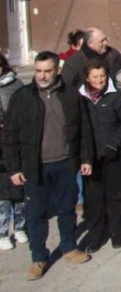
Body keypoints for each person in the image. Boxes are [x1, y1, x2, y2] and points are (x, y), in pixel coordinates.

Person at [3, 51, 93, 280]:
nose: (42, 76)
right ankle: (39, 258)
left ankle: (69, 246)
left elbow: (83, 130)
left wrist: (85, 159)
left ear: (57, 71)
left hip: (65, 164)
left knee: (66, 210)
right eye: (38, 71)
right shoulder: (22, 98)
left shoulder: (72, 96)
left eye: (47, 71)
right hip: (35, 167)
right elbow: (10, 136)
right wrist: (14, 169)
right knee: (36, 215)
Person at [78, 58, 121, 252]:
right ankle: (96, 236)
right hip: (90, 158)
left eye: (102, 76)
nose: (100, 80)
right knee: (94, 200)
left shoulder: (116, 97)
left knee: (115, 197)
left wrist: (114, 144)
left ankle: (116, 232)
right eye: (95, 77)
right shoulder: (80, 98)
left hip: (113, 156)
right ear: (87, 77)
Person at [0, 55, 26, 251]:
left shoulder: (15, 85)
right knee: (1, 193)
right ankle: (2, 232)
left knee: (18, 188)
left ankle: (19, 226)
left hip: (14, 141)